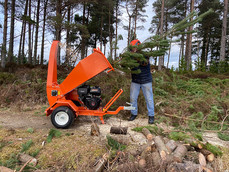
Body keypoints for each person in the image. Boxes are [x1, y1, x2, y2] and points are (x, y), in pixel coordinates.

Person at [128, 39, 155, 124]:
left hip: (146, 80)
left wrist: (134, 56)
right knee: (132, 98)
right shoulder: (130, 56)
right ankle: (133, 114)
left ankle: (151, 116)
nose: (133, 50)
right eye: (132, 49)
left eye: (134, 48)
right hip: (135, 80)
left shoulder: (145, 55)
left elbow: (144, 63)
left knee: (149, 99)